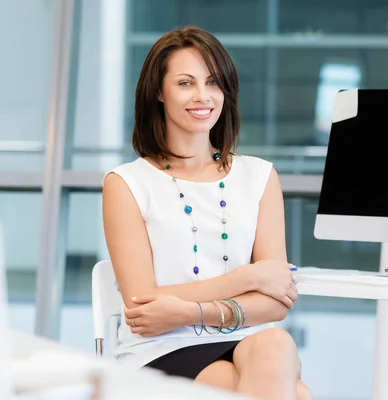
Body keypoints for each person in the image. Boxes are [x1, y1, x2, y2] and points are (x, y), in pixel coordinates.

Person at [102, 26, 312, 400]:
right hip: (160, 349)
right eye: (185, 83)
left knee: (276, 343)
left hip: (247, 341)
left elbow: (276, 300)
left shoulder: (260, 176)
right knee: (296, 394)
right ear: (159, 94)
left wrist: (187, 311)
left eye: (213, 83)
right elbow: (143, 305)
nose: (203, 96)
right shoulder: (126, 183)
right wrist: (248, 276)